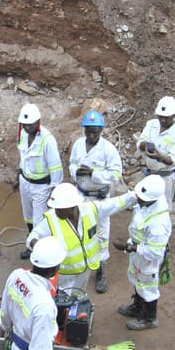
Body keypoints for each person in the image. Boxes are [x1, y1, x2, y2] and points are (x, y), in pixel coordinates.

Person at [25, 183, 135, 294]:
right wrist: (40, 246)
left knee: (79, 296)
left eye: (59, 209)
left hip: (85, 269)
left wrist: (135, 196)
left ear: (72, 207)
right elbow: (31, 238)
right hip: (65, 274)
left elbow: (115, 204)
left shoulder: (90, 210)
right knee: (63, 300)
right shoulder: (50, 220)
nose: (56, 211)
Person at [0, 236, 67, 350]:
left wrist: (4, 329)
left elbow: (5, 311)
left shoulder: (16, 275)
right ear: (55, 269)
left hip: (17, 349)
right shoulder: (44, 305)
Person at [68, 109, 123, 293]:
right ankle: (82, 262)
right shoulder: (78, 145)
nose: (91, 135)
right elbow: (72, 164)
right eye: (88, 131)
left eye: (95, 131)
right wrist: (77, 172)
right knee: (81, 230)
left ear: (101, 131)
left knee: (101, 233)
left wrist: (94, 174)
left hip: (99, 198)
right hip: (81, 195)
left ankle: (100, 269)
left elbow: (115, 175)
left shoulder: (108, 150)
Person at [113, 175, 171, 330]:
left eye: (141, 198)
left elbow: (155, 252)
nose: (138, 199)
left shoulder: (159, 224)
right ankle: (138, 307)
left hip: (147, 256)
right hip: (138, 250)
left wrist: (129, 247)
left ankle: (149, 318)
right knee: (137, 278)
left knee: (148, 285)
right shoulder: (147, 200)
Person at [15, 103, 64, 259]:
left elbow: (56, 168)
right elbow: (24, 157)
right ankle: (31, 244)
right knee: (28, 216)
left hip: (41, 186)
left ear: (38, 122)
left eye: (31, 125)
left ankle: (40, 252)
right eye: (25, 125)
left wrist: (53, 192)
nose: (28, 128)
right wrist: (18, 176)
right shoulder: (22, 134)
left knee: (39, 221)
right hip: (25, 181)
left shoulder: (47, 140)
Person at [137, 96, 175, 209]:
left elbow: (173, 160)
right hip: (149, 175)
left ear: (174, 115)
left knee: (162, 209)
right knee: (145, 204)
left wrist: (160, 157)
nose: (162, 120)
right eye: (160, 117)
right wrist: (145, 146)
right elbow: (141, 141)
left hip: (165, 178)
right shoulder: (151, 125)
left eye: (166, 117)